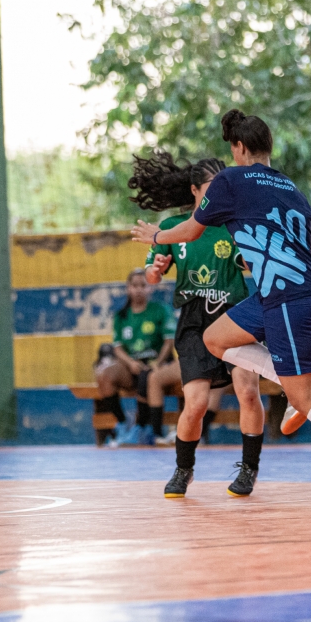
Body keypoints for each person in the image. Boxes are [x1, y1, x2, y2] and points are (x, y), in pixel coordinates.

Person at [131, 109, 311, 500]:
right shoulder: (291, 188)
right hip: (277, 294)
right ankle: (288, 382)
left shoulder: (231, 180)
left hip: (289, 298)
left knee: (306, 399)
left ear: (239, 147)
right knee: (215, 339)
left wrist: (157, 236)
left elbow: (192, 229)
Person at [129, 152, 267, 498]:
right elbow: (151, 275)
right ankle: (183, 469)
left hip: (234, 315)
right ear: (194, 190)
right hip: (194, 321)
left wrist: (253, 256)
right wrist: (155, 271)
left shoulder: (234, 224)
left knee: (248, 391)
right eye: (211, 187)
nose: (219, 193)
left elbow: (253, 264)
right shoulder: (174, 227)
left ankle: (249, 468)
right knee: (196, 403)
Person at [94, 269, 175, 446]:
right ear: (128, 288)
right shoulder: (121, 316)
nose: (138, 289)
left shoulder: (161, 310)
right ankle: (122, 424)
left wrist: (158, 363)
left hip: (157, 364)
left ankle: (143, 428)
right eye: (134, 285)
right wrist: (130, 363)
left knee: (148, 378)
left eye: (143, 285)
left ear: (150, 288)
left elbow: (169, 342)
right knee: (104, 374)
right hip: (131, 366)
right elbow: (117, 348)